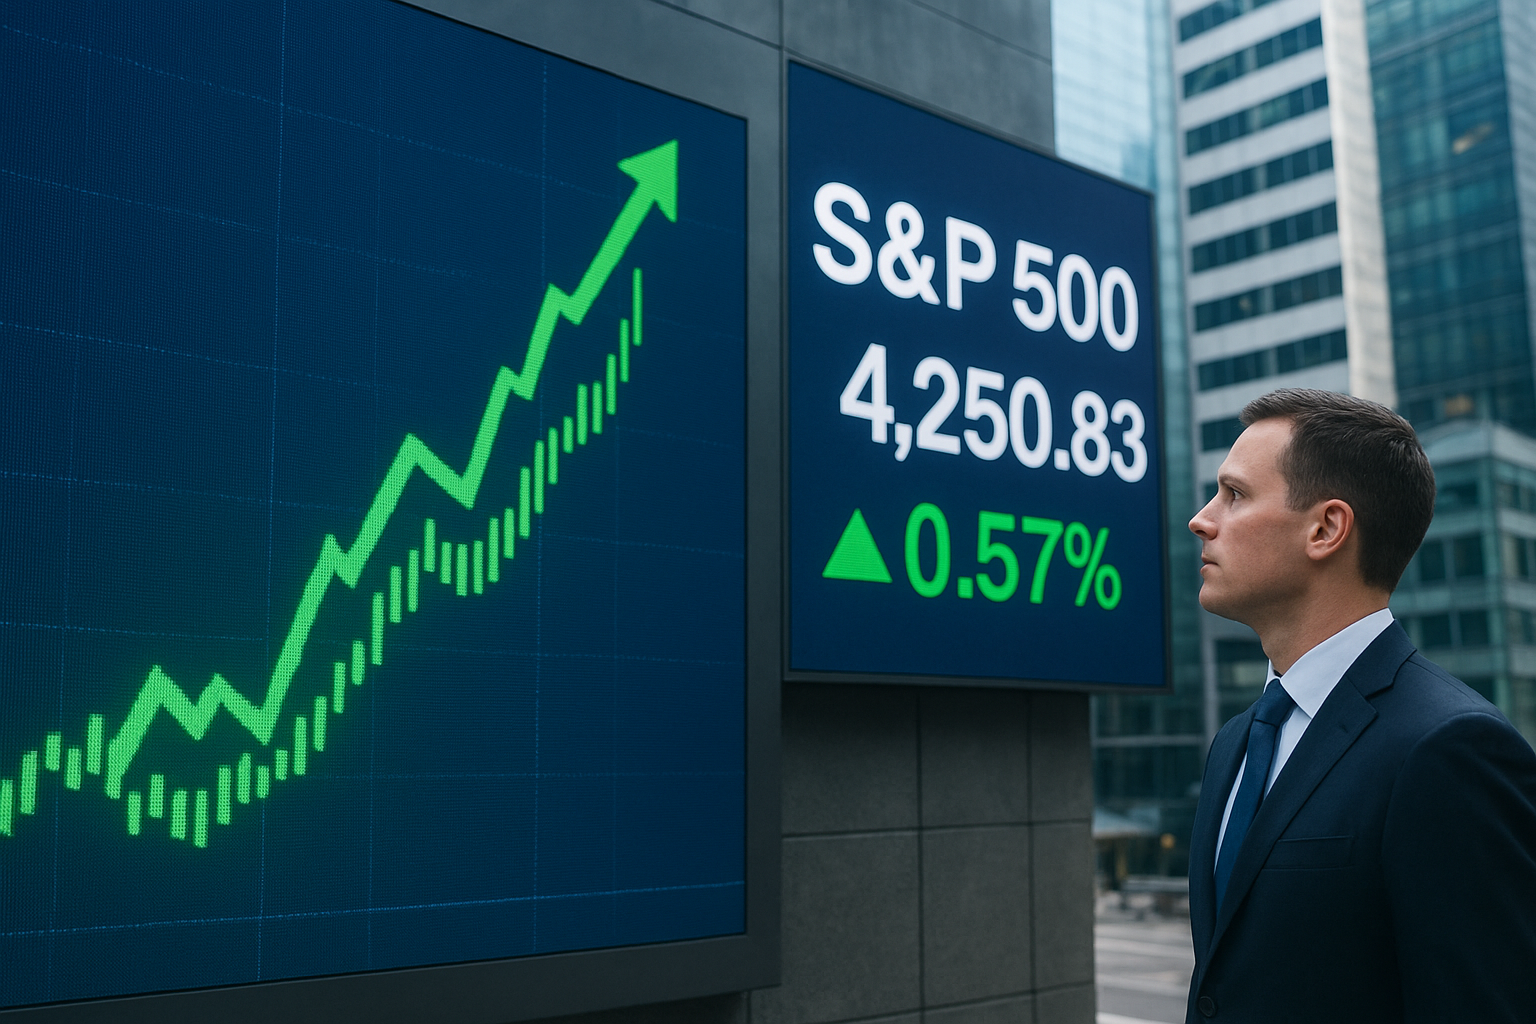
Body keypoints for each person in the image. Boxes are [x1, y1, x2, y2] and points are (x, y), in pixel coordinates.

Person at [1184, 388, 1536, 1022]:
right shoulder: (1236, 742)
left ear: (1326, 528)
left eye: (1234, 494)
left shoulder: (1450, 747)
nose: (1203, 519)